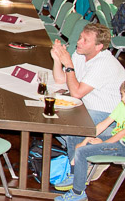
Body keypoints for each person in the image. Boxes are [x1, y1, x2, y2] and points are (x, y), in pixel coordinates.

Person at [50, 25, 125, 154]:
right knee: (53, 116)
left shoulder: (103, 63)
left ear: (98, 46)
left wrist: (68, 64)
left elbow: (77, 93)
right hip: (89, 108)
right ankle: (82, 154)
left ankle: (76, 168)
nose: (79, 42)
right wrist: (57, 59)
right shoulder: (81, 53)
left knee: (72, 124)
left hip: (110, 116)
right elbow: (61, 79)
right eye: (80, 37)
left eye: (85, 40)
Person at [53, 80, 125, 201]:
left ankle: (78, 192)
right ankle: (75, 175)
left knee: (82, 151)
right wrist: (85, 140)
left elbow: (121, 135)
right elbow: (103, 124)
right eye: (122, 95)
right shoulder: (121, 105)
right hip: (116, 140)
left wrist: (102, 143)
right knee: (78, 139)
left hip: (122, 146)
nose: (123, 99)